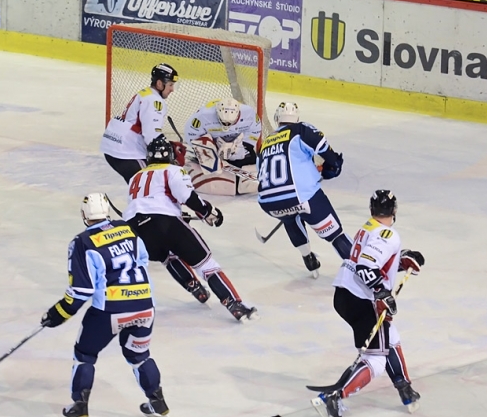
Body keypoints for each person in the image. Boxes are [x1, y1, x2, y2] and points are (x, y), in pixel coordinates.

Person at [39, 193, 170, 417]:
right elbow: (143, 259)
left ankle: (79, 407)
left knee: (85, 354)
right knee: (139, 355)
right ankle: (158, 403)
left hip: (109, 310)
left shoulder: (83, 242)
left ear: (83, 215)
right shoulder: (128, 229)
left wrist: (56, 314)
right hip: (144, 307)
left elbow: (81, 291)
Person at [312, 190, 426, 417]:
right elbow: (366, 267)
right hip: (361, 299)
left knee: (390, 337)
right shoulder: (389, 234)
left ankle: (404, 388)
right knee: (375, 360)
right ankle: (334, 398)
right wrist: (382, 292)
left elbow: (370, 258)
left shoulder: (368, 227)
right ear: (395, 210)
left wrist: (401, 259)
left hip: (345, 294)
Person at [124, 136, 259, 322]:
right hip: (166, 222)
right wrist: (208, 212)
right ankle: (235, 305)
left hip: (135, 229)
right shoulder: (172, 170)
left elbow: (147, 204)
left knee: (167, 256)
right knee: (207, 265)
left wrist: (177, 214)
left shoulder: (136, 177)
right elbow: (188, 197)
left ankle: (195, 287)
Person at [257, 102, 352, 277]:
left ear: (277, 119)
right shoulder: (300, 130)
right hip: (303, 197)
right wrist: (333, 164)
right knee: (336, 236)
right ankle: (365, 272)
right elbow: (323, 148)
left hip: (269, 204)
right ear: (297, 118)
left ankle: (308, 257)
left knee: (289, 217)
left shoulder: (265, 143)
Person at [100, 63, 179, 183]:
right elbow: (151, 136)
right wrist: (169, 150)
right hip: (125, 152)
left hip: (113, 147)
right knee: (150, 186)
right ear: (159, 84)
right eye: (170, 85)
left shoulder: (146, 93)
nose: (172, 89)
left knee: (141, 187)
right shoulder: (154, 101)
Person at [183, 97, 262, 195]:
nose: (227, 125)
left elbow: (255, 130)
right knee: (210, 168)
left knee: (249, 160)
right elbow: (192, 134)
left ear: (238, 114)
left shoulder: (249, 113)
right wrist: (208, 151)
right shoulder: (203, 115)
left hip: (237, 141)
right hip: (214, 142)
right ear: (217, 113)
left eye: (230, 123)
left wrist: (239, 146)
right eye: (224, 122)